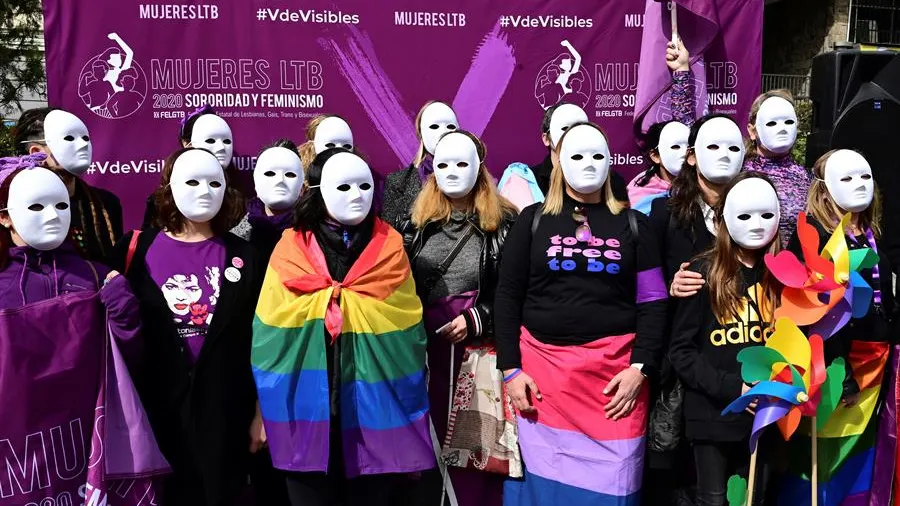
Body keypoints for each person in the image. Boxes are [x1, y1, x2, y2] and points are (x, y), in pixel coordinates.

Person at [495, 122, 667, 505]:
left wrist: (639, 369)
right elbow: (507, 297)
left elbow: (654, 302)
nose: (588, 164)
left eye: (596, 155)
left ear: (610, 162)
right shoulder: (532, 220)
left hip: (616, 387)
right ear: (557, 162)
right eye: (576, 155)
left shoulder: (636, 225)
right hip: (542, 386)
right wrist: (511, 370)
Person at [252, 148, 434, 506]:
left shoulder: (391, 248)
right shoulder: (289, 250)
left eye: (365, 186)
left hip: (374, 406)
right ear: (318, 192)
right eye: (344, 186)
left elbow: (408, 328)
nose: (357, 196)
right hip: (305, 404)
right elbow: (269, 331)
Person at [0, 155, 166, 505]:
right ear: (4, 217)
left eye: (62, 205)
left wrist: (125, 315)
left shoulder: (96, 275)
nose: (52, 216)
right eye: (36, 206)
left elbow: (128, 366)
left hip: (82, 444)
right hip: (16, 454)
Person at [114, 148, 262, 506]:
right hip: (155, 415)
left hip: (227, 416)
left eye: (215, 183)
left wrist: (261, 412)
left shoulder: (248, 254)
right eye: (192, 181)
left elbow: (265, 339)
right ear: (169, 187)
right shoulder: (134, 249)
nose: (204, 191)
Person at [400, 130, 517, 506]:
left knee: (473, 450)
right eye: (443, 164)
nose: (452, 172)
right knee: (427, 446)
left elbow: (514, 291)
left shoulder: (506, 223)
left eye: (462, 163)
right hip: (427, 354)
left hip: (477, 356)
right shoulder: (414, 226)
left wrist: (478, 319)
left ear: (479, 168)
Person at [778, 149, 894, 505]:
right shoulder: (814, 234)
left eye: (865, 177)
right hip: (837, 365)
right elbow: (812, 310)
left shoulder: (871, 231)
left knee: (860, 459)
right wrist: (838, 368)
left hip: (877, 363)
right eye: (846, 178)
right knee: (824, 455)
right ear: (824, 189)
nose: (859, 185)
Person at [669, 172, 783, 506]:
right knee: (714, 500)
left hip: (765, 415)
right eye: (745, 215)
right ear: (722, 219)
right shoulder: (701, 273)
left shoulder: (784, 275)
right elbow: (682, 351)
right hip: (712, 417)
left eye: (766, 214)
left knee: (754, 499)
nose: (757, 224)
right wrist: (733, 389)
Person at [650, 114, 746, 293]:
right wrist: (671, 286)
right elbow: (648, 282)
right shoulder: (666, 213)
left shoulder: (757, 212)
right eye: (713, 147)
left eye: (733, 148)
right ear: (691, 156)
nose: (724, 155)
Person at [14, 107, 123, 264]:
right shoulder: (12, 207)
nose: (82, 146)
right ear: (36, 152)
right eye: (69, 139)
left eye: (85, 138)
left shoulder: (106, 204)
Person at [627, 39, 695, 215]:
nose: (683, 152)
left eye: (688, 147)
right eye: (675, 146)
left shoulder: (702, 186)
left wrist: (682, 69)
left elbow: (685, 119)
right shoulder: (637, 192)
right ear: (655, 155)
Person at [744, 90, 810, 247]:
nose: (782, 129)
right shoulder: (738, 173)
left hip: (796, 267)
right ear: (752, 131)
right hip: (749, 267)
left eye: (788, 122)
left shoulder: (807, 177)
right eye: (772, 123)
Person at [381, 101, 459, 228]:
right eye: (434, 126)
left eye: (450, 126)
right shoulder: (398, 183)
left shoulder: (474, 178)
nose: (444, 132)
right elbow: (390, 237)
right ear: (421, 133)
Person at [530, 102, 628, 202]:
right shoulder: (530, 181)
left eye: (579, 127)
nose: (572, 133)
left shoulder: (613, 181)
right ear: (546, 139)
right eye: (565, 128)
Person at [233, 139, 305, 258]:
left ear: (302, 187)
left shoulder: (314, 236)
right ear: (256, 184)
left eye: (290, 174)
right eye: (270, 174)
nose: (280, 181)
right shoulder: (237, 239)